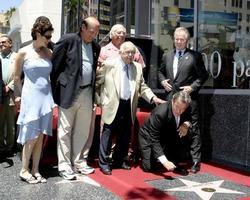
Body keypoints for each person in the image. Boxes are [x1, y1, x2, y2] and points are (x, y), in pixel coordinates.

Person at [96, 41, 165, 175]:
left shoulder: (137, 67)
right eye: (127, 52)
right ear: (120, 52)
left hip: (129, 105)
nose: (130, 55)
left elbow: (142, 87)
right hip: (112, 104)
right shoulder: (110, 64)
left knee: (125, 134)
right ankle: (104, 163)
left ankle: (119, 160)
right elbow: (98, 82)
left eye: (133, 52)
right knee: (108, 133)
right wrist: (100, 101)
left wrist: (153, 98)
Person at [51, 16, 100, 180]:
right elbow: (55, 66)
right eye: (92, 31)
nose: (94, 34)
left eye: (97, 31)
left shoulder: (95, 46)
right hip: (69, 92)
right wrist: (57, 89)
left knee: (82, 130)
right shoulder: (68, 40)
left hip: (87, 93)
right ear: (83, 28)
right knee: (65, 130)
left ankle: (78, 162)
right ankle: (64, 166)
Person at [158, 27, 208, 173]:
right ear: (174, 39)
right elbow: (160, 71)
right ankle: (171, 158)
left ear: (187, 41)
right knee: (170, 127)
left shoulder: (195, 56)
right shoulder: (167, 55)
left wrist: (192, 87)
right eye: (177, 39)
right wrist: (162, 81)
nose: (179, 42)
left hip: (189, 98)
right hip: (171, 98)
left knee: (192, 129)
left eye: (182, 39)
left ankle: (195, 161)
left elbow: (203, 75)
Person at [14, 16, 54, 184]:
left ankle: (36, 169)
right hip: (30, 98)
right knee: (31, 137)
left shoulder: (49, 53)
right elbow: (16, 77)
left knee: (40, 137)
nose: (50, 39)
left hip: (46, 97)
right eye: (48, 36)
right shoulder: (23, 52)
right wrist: (21, 96)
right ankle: (24, 170)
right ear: (38, 33)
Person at [138, 91, 192, 173]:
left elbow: (192, 119)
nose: (179, 111)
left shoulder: (186, 107)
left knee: (186, 133)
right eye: (177, 107)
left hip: (167, 134)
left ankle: (175, 156)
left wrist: (186, 125)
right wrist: (164, 161)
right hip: (148, 136)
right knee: (149, 167)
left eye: (182, 109)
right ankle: (140, 152)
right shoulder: (160, 112)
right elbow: (153, 137)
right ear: (172, 101)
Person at [0, 35, 17, 155]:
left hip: (11, 93)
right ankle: (1, 146)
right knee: (0, 121)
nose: (1, 44)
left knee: (10, 122)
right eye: (0, 43)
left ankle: (10, 147)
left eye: (3, 42)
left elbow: (20, 75)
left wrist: (9, 87)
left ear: (10, 44)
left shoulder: (17, 57)